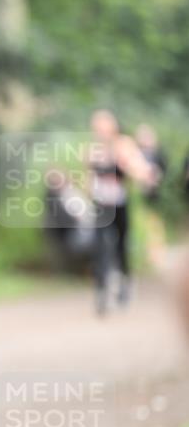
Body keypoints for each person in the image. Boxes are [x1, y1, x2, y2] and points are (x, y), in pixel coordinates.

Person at [86, 109, 155, 316]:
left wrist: (145, 176)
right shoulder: (92, 148)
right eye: (98, 127)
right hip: (100, 204)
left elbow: (137, 167)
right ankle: (101, 289)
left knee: (120, 244)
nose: (101, 130)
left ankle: (125, 279)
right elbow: (89, 175)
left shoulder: (123, 144)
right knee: (99, 246)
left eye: (104, 126)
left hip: (119, 203)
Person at [134, 123, 168, 269]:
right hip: (138, 194)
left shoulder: (158, 153)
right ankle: (143, 254)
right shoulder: (135, 153)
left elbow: (164, 171)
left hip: (154, 195)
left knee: (154, 224)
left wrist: (155, 178)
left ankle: (156, 254)